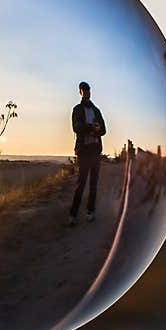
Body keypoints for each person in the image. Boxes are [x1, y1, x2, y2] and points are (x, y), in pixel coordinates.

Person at [69, 81, 106, 224]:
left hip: (95, 150)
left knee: (93, 184)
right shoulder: (77, 109)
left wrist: (96, 129)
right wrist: (91, 127)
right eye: (84, 90)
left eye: (88, 90)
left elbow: (103, 130)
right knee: (81, 183)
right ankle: (73, 214)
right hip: (84, 151)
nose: (86, 92)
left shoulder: (96, 110)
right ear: (80, 92)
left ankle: (91, 212)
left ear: (90, 91)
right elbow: (76, 127)